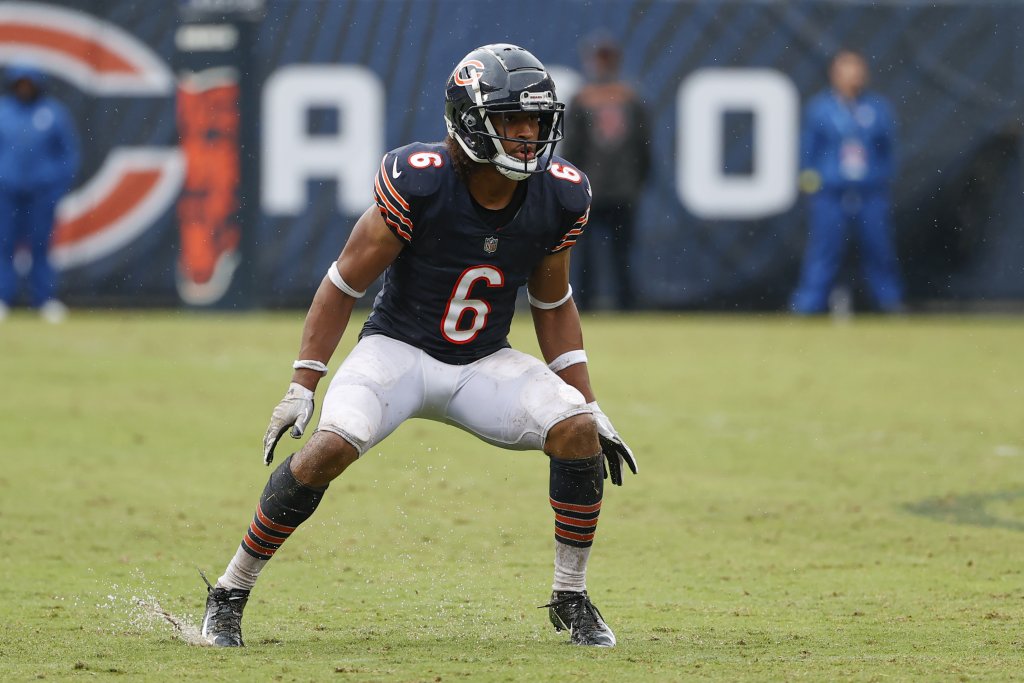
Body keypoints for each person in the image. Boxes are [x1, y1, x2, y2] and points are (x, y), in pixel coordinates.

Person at [200, 44, 638, 649]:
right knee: (329, 447)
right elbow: (342, 285)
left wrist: (587, 401)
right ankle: (229, 590)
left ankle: (571, 597)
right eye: (512, 119)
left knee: (575, 431)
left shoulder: (559, 195)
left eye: (536, 121)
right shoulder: (422, 180)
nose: (528, 134)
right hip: (397, 352)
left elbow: (553, 303)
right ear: (470, 121)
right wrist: (303, 384)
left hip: (484, 359)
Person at [790, 49, 904, 315]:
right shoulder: (821, 109)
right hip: (831, 192)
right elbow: (809, 151)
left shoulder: (877, 109)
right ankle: (808, 304)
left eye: (857, 71)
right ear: (835, 75)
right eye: (846, 71)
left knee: (878, 248)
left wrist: (881, 178)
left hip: (869, 192)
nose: (852, 77)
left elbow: (887, 150)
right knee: (824, 250)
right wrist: (812, 185)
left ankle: (889, 302)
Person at [561, 32, 650, 311]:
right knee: (596, 252)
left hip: (603, 187)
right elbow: (643, 145)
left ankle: (612, 302)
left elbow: (642, 145)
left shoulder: (591, 98)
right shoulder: (627, 98)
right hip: (602, 188)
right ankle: (605, 302)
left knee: (616, 251)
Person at [0, 62, 80, 323]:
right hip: (7, 193)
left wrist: (53, 187)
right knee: (4, 246)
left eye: (29, 83)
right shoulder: (3, 112)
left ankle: (43, 300)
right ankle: (3, 298)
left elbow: (68, 155)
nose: (25, 88)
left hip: (40, 195)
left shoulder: (53, 113)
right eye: (20, 83)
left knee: (41, 246)